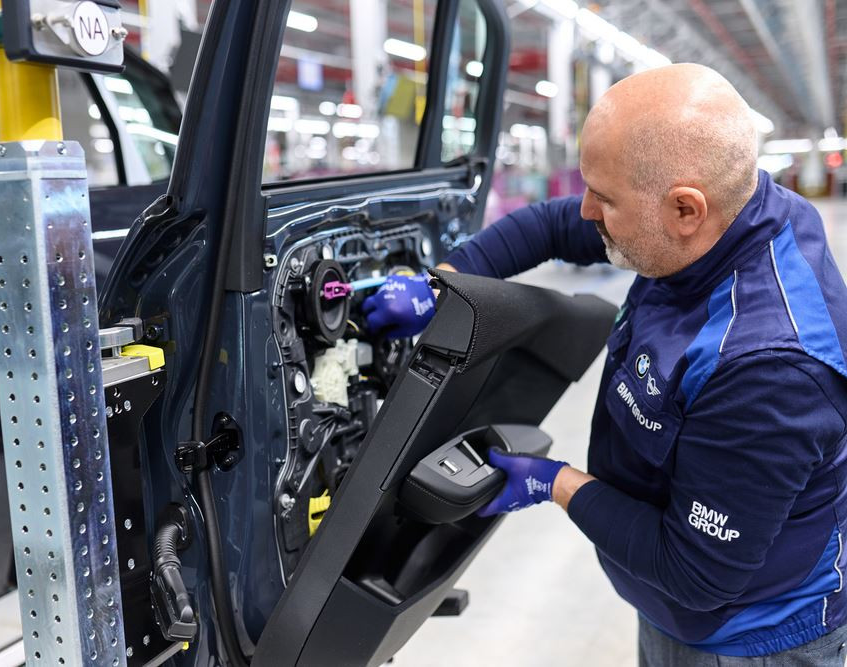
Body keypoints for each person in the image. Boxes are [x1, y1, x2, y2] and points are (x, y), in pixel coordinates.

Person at [362, 63, 847, 666]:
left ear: (686, 210)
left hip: (751, 638)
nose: (587, 210)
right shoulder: (722, 212)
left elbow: (693, 572)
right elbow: (552, 224)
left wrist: (553, 482)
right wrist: (445, 288)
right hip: (673, 609)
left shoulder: (768, 371)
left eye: (605, 198)